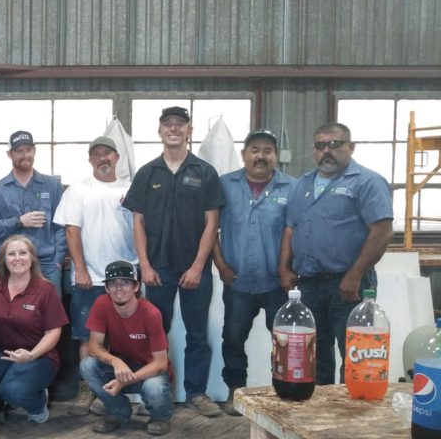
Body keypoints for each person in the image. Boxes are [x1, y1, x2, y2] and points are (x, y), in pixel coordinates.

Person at [122, 106, 225, 418]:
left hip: (194, 269)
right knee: (155, 333)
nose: (174, 129)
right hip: (158, 269)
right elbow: (137, 222)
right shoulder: (147, 173)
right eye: (168, 124)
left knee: (197, 333)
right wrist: (145, 265)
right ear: (160, 131)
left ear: (189, 130)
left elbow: (212, 224)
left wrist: (197, 267)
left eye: (180, 124)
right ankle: (155, 393)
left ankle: (196, 393)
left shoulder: (205, 172)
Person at [279, 122, 393, 384]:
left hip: (347, 284)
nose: (327, 151)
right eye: (320, 146)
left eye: (335, 144)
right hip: (307, 283)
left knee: (354, 351)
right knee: (312, 352)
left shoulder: (367, 182)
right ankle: (317, 411)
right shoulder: (303, 184)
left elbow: (382, 231)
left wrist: (354, 275)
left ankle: (348, 414)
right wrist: (284, 269)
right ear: (313, 150)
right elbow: (290, 228)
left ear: (351, 148)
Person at [212, 129, 296, 415]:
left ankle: (281, 391)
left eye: (268, 150)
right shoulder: (225, 185)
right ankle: (236, 390)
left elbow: (295, 232)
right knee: (233, 338)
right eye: (255, 150)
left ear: (276, 155)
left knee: (283, 341)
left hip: (277, 285)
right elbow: (210, 229)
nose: (261, 156)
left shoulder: (292, 188)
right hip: (238, 283)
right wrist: (221, 265)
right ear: (244, 154)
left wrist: (287, 271)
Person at [53, 135, 136, 416]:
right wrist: (80, 268)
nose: (102, 159)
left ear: (117, 158)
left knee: (124, 338)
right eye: (97, 154)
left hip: (127, 279)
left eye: (108, 154)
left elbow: (143, 229)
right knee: (87, 338)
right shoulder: (78, 190)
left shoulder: (132, 189)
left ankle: (117, 389)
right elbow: (71, 230)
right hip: (90, 278)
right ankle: (88, 387)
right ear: (90, 160)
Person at [80, 260, 173, 436]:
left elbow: (161, 363)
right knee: (87, 364)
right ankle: (118, 412)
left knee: (154, 388)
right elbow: (93, 346)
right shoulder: (101, 304)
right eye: (113, 284)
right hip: (121, 366)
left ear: (136, 286)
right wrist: (114, 361)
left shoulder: (151, 313)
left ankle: (160, 417)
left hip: (149, 370)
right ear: (106, 288)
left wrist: (125, 381)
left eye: (125, 282)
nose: (119, 288)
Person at [0, 234, 67, 424]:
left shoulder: (46, 289)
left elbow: (54, 332)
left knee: (12, 391)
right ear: (4, 260)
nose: (17, 258)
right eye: (11, 254)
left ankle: (38, 403)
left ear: (32, 258)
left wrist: (31, 355)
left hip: (38, 357)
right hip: (1, 354)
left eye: (23, 253)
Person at [0, 130, 66, 294]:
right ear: (9, 154)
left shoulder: (52, 186)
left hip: (46, 264)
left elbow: (60, 226)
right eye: (19, 151)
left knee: (51, 316)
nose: (25, 155)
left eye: (28, 150)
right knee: (7, 315)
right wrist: (18, 221)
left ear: (34, 151)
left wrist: (58, 260)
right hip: (9, 265)